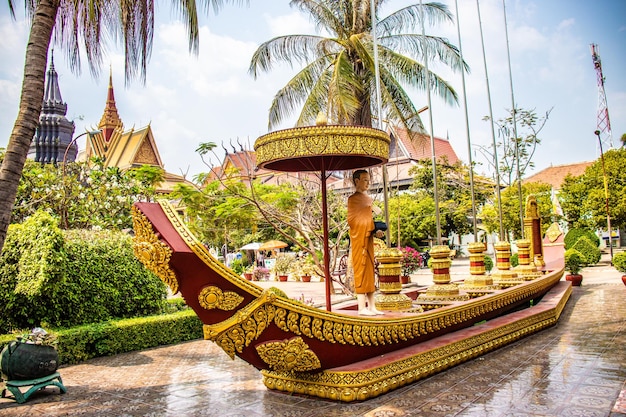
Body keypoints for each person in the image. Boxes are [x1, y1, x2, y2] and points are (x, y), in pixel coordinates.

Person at [347, 169, 385, 316]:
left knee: (370, 271)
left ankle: (372, 306)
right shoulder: (353, 199)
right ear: (356, 181)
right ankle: (361, 307)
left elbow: (369, 219)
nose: (368, 183)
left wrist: (376, 229)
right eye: (364, 180)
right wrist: (369, 211)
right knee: (361, 271)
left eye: (369, 180)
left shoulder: (368, 199)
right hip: (359, 240)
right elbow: (353, 220)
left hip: (368, 239)